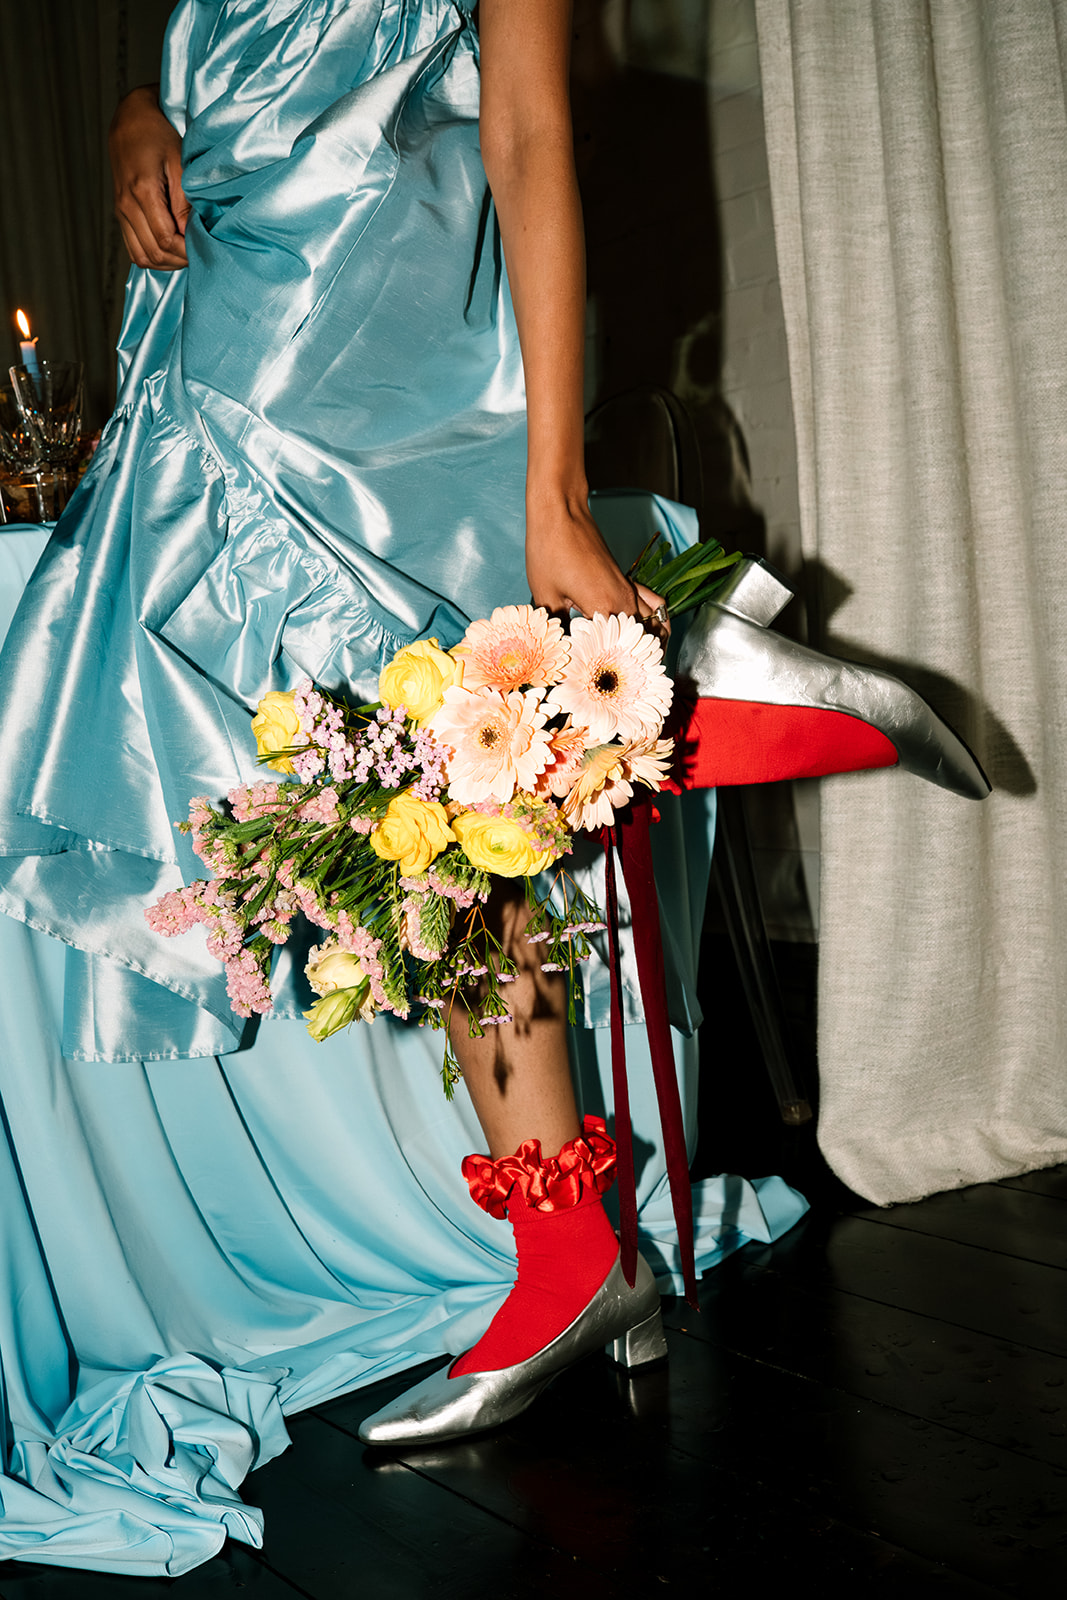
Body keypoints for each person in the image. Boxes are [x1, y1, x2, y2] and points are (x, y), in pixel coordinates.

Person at [0, 2, 807, 1565]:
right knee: (384, 808)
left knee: (443, 771)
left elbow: (525, 127)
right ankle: (571, 1249)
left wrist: (556, 490)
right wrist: (131, 113)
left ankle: (570, 1254)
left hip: (383, 359)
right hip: (223, 332)